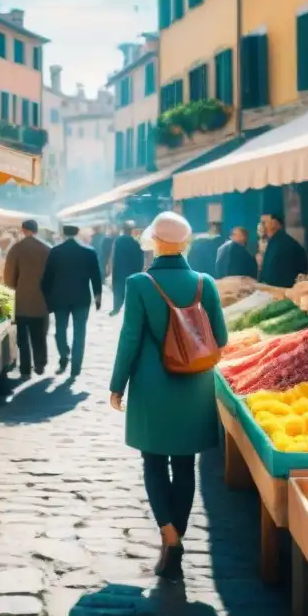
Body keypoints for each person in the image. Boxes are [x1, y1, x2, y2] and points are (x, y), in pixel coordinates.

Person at [108, 212, 228, 581]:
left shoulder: (139, 283)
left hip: (152, 385)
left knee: (154, 462)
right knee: (185, 464)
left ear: (154, 242)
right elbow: (221, 337)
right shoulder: (205, 283)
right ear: (186, 243)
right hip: (194, 386)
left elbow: (129, 339)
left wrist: (117, 384)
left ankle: (169, 536)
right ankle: (178, 533)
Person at [41, 225, 102, 377]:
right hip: (81, 298)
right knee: (79, 332)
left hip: (60, 297)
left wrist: (47, 298)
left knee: (60, 329)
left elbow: (47, 278)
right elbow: (96, 277)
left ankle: (63, 356)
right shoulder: (89, 251)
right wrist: (97, 296)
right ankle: (76, 366)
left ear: (62, 233)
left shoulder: (55, 251)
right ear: (77, 233)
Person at [3, 219, 51, 377]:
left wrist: (12, 290)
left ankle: (25, 368)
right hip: (41, 301)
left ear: (23, 230)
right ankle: (40, 364)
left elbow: (9, 277)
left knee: (23, 338)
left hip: (21, 301)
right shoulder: (47, 249)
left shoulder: (16, 248)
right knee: (40, 335)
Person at [258, 213, 308, 288]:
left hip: (279, 291)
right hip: (283, 289)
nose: (262, 226)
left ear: (275, 223)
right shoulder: (275, 241)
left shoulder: (281, 243)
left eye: (264, 222)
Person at [110, 222, 144, 315]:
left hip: (118, 270)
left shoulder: (118, 241)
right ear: (131, 231)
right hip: (132, 271)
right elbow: (140, 258)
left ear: (123, 230)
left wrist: (110, 268)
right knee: (131, 291)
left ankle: (116, 308)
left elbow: (113, 255)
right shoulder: (136, 242)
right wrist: (139, 270)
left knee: (118, 289)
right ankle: (131, 309)